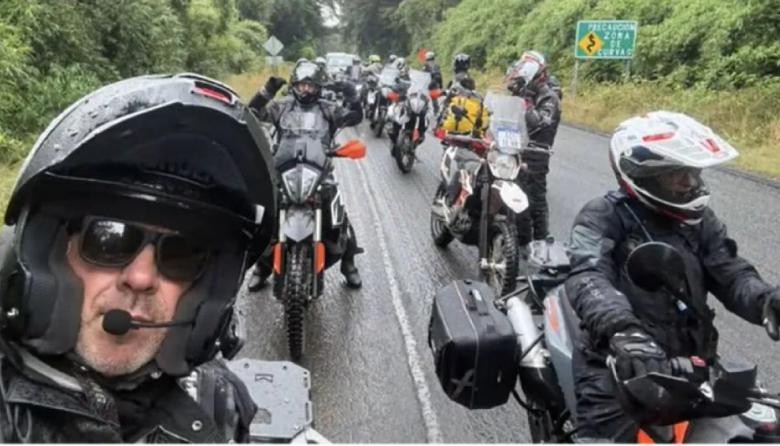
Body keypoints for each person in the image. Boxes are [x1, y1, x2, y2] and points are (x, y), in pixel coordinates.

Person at [0, 73, 279, 441]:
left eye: (182, 254)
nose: (141, 277)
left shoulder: (218, 402)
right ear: (45, 253)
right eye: (108, 240)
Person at [565, 111, 780, 441]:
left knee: (760, 433)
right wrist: (624, 332)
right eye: (675, 174)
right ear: (642, 175)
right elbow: (588, 276)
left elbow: (732, 273)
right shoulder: (604, 215)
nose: (689, 183)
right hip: (620, 363)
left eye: (692, 172)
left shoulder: (700, 222)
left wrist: (766, 302)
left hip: (693, 363)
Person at [248, 60, 364, 290]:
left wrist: (352, 95)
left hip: (319, 170)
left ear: (318, 87)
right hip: (283, 169)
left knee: (339, 214)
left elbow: (355, 116)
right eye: (301, 85)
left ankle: (348, 262)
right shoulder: (282, 106)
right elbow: (252, 113)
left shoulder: (327, 108)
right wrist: (266, 91)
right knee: (265, 216)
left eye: (310, 86)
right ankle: (262, 266)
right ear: (294, 85)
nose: (305, 90)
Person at [506, 51, 561, 241]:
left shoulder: (549, 97)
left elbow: (539, 123)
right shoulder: (522, 93)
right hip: (517, 149)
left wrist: (526, 102)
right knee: (516, 193)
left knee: (536, 199)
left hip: (537, 152)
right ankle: (521, 236)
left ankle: (541, 241)